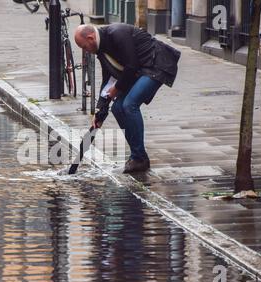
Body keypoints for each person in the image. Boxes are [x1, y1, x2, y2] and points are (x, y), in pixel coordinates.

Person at [74, 23, 181, 173]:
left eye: (84, 47)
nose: (86, 51)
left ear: (91, 38)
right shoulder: (101, 48)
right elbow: (108, 79)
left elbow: (131, 65)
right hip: (139, 70)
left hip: (156, 64)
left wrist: (116, 90)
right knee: (117, 108)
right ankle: (138, 156)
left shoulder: (117, 33)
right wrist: (101, 111)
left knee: (129, 105)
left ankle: (139, 158)